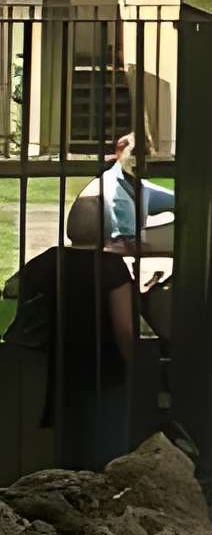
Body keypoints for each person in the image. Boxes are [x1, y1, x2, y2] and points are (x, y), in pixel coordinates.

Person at [5, 190, 139, 468]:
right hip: (106, 369)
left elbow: (12, 288)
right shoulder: (111, 267)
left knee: (70, 449)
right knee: (107, 450)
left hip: (61, 368)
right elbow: (124, 326)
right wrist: (135, 363)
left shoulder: (50, 260)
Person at [98, 133, 178, 257]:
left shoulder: (137, 182)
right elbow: (123, 245)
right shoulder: (117, 191)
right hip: (120, 250)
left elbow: (175, 200)